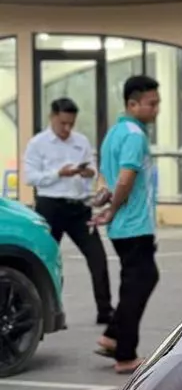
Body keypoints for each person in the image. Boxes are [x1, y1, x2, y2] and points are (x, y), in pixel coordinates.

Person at [23, 97, 113, 325]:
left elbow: (93, 168)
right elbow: (30, 177)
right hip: (50, 207)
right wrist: (58, 173)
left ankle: (105, 310)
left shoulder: (81, 141)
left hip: (78, 208)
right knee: (45, 260)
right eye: (62, 123)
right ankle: (47, 314)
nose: (66, 128)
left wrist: (88, 172)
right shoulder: (37, 143)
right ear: (52, 117)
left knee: (97, 257)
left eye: (71, 124)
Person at [95, 73, 161, 373]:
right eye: (151, 103)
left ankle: (111, 335)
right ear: (132, 104)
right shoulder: (135, 135)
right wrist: (112, 209)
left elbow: (107, 179)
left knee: (136, 280)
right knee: (141, 281)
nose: (156, 109)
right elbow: (125, 178)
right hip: (134, 225)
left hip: (123, 227)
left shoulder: (114, 133)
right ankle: (125, 354)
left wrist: (108, 208)